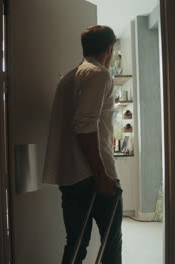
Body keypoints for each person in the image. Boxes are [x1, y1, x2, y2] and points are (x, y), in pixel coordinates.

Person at [43, 25, 122, 264]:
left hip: (70, 176)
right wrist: (101, 174)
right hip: (94, 174)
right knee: (111, 242)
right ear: (109, 49)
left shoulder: (68, 78)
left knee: (76, 242)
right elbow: (85, 126)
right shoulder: (99, 74)